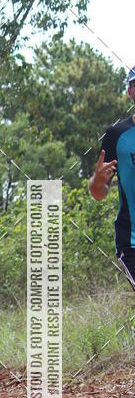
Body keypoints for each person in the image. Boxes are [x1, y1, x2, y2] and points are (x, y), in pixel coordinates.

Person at [89, 66, 135, 287]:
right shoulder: (116, 134)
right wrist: (97, 180)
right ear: (130, 92)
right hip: (131, 241)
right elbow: (99, 193)